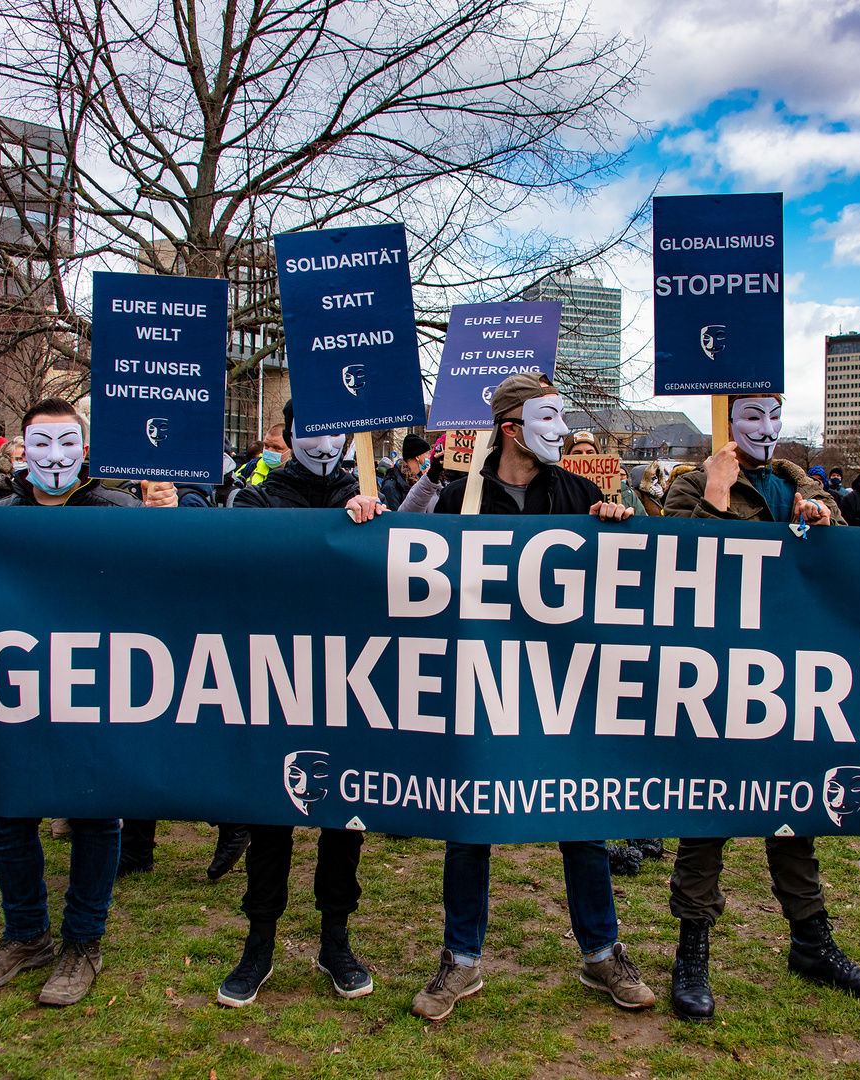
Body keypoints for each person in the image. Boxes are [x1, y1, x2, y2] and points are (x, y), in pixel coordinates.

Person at [0, 399, 174, 1008]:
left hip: (99, 682)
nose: (53, 455)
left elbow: (165, 581)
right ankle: (25, 933)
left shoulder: (119, 511)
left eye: (66, 442)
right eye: (39, 442)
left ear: (85, 449)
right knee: (6, 810)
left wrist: (167, 523)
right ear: (21, 449)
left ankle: (83, 941)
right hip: (19, 685)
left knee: (95, 811)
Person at [415, 373, 656, 1021]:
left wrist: (615, 524)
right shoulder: (461, 496)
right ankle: (460, 963)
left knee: (580, 821)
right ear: (513, 428)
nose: (563, 429)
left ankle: (602, 953)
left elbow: (616, 582)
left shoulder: (578, 491)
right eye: (548, 419)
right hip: (481, 685)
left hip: (562, 687)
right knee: (470, 829)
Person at [660, 396, 860, 1020]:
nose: (768, 428)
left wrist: (822, 519)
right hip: (716, 676)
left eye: (774, 415)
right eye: (752, 416)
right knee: (707, 816)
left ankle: (812, 943)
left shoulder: (797, 481)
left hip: (789, 676)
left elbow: (842, 563)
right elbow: (683, 561)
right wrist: (717, 490)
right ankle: (692, 952)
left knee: (795, 809)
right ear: (728, 422)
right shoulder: (689, 484)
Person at [214, 400, 385, 1008]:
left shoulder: (372, 492)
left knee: (344, 813)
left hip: (351, 681)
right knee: (271, 812)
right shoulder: (260, 498)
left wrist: (376, 520)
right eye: (313, 428)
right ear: (288, 436)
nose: (327, 441)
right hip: (276, 676)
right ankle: (258, 941)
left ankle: (335, 937)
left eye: (340, 430)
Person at [379, 433, 431, 511]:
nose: (429, 456)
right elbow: (394, 517)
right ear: (417, 457)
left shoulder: (420, 479)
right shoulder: (391, 485)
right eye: (427, 453)